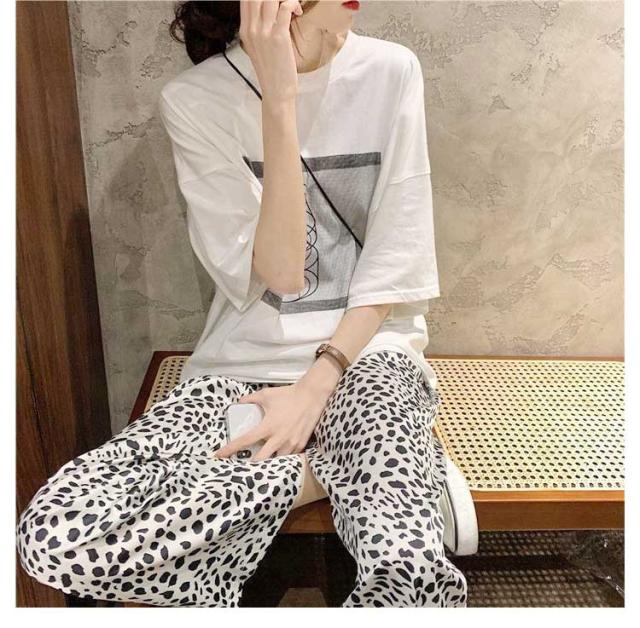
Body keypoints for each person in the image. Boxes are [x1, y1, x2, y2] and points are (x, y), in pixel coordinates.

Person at [16, 0, 468, 607]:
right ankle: (346, 466)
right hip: (241, 369)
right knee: (57, 536)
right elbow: (283, 272)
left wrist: (314, 392)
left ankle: (370, 454)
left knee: (407, 573)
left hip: (365, 357)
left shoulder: (391, 70)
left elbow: (395, 261)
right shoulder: (194, 100)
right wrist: (279, 99)